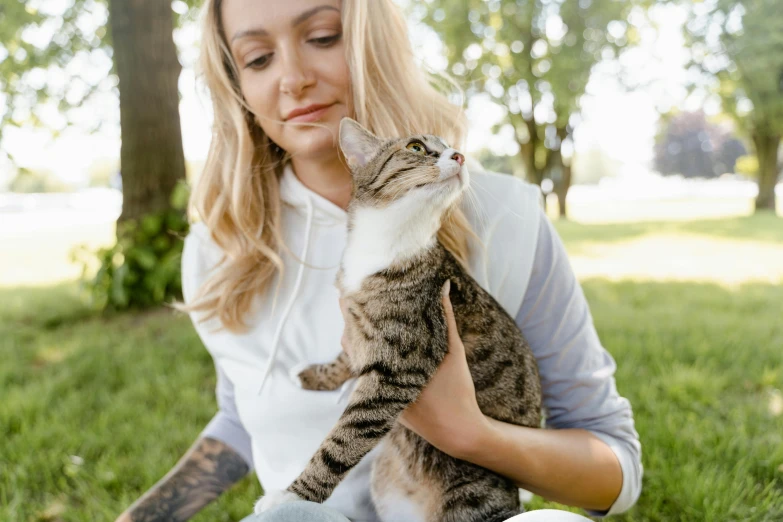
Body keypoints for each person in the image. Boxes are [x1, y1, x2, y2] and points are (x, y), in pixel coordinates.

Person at [115, 0, 642, 521]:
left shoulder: (506, 215)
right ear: (237, 86)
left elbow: (614, 464)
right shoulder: (220, 248)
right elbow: (242, 417)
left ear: (377, 40)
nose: (293, 79)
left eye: (322, 37)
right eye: (257, 58)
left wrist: (470, 435)